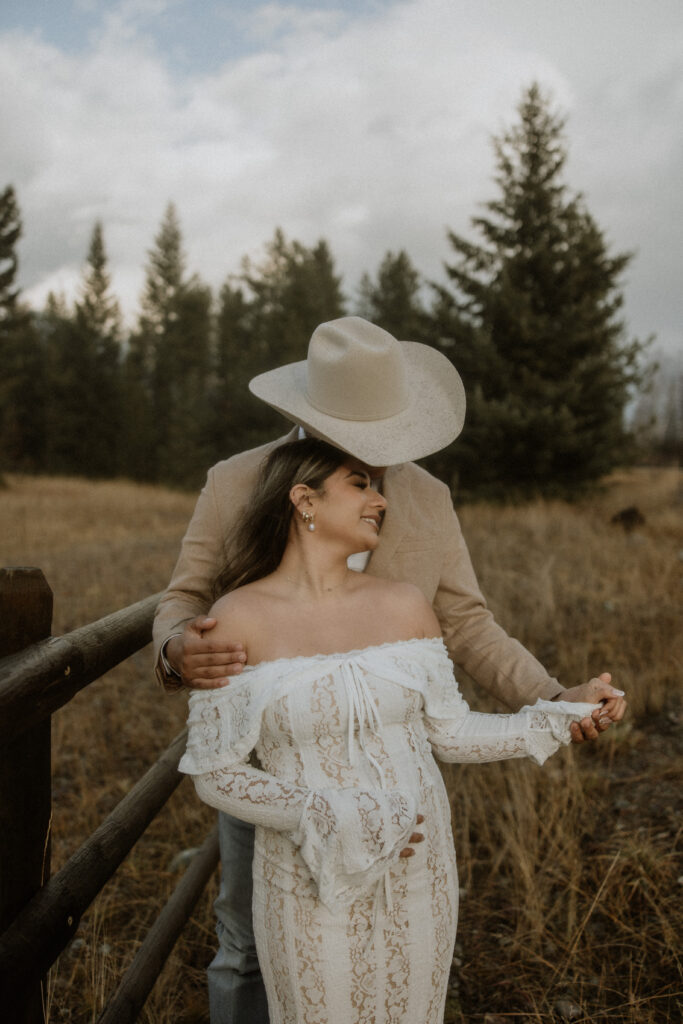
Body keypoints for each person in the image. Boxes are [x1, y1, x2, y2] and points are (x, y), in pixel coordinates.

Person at [153, 317, 626, 1023]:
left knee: (394, 951)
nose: (376, 470)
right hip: (274, 758)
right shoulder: (236, 481)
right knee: (248, 943)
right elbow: (185, 598)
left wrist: (552, 698)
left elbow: (468, 623)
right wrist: (177, 647)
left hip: (401, 785)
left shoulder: (426, 498)